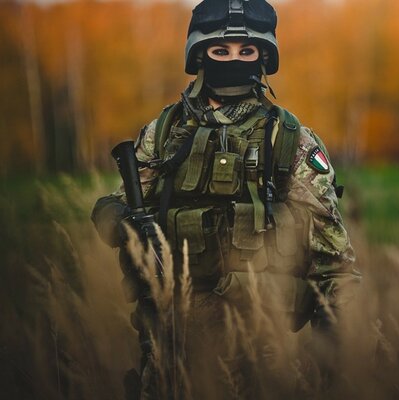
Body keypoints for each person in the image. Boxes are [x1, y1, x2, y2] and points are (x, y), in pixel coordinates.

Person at [91, 0, 360, 398]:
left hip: (262, 359)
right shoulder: (164, 132)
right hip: (171, 351)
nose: (234, 60)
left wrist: (331, 349)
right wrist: (117, 220)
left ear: (263, 56)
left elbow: (335, 265)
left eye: (246, 51)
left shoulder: (288, 140)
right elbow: (117, 206)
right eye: (221, 51)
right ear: (200, 55)